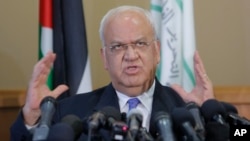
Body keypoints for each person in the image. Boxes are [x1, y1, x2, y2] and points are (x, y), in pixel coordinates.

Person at [10, 5, 215, 141]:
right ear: (104, 58)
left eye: (140, 44)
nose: (131, 55)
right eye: (117, 46)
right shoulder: (70, 114)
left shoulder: (188, 111)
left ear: (156, 51)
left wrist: (213, 121)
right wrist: (33, 117)